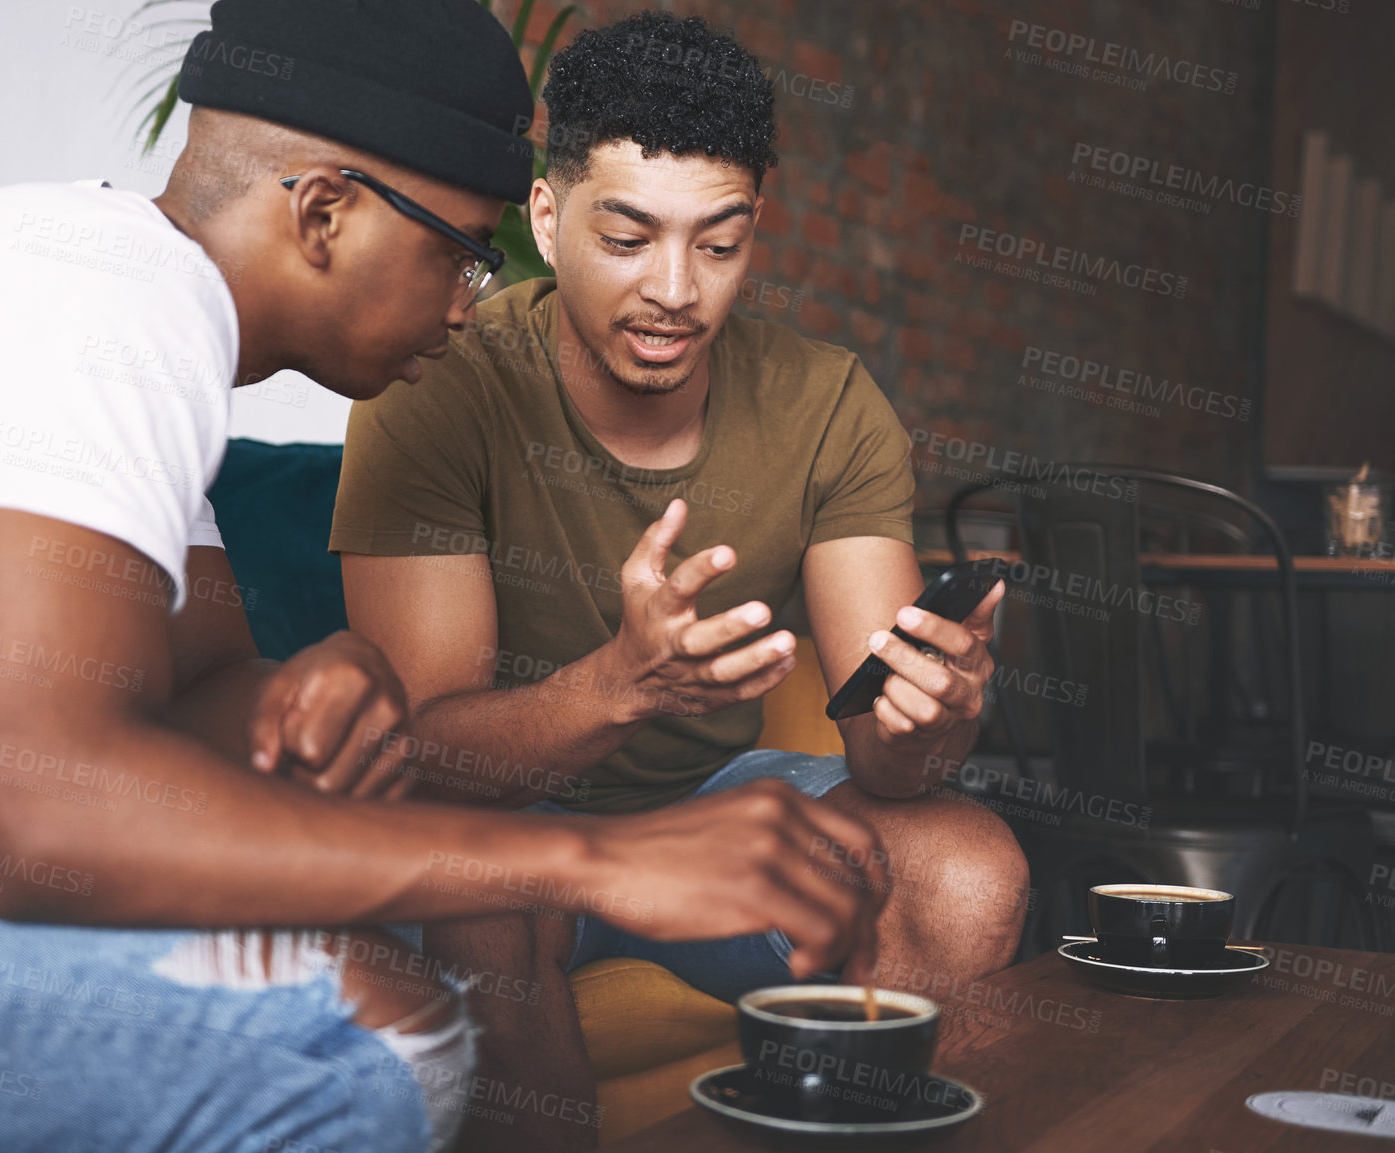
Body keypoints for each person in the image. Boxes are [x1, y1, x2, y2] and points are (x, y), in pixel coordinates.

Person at [0, 3, 893, 1150]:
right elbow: (42, 826)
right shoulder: (108, 305)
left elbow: (195, 691)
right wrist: (597, 862)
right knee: (357, 1021)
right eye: (464, 253)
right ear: (322, 215)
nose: (472, 306)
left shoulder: (110, 296)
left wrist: (321, 677)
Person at [333, 12, 1030, 1151]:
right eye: (628, 238)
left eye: (718, 243)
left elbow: (887, 760)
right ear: (548, 222)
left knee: (965, 863)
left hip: (717, 806)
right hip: (504, 824)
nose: (676, 290)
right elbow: (427, 756)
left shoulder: (827, 401)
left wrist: (929, 716)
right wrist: (622, 685)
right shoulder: (439, 378)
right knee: (470, 885)